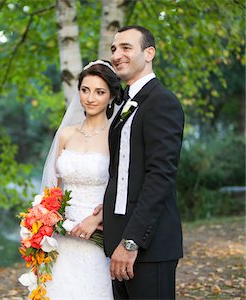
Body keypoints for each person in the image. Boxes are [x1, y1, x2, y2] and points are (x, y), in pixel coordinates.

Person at [98, 25, 185, 299]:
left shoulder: (162, 102)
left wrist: (131, 242)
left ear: (149, 53)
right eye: (113, 49)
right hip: (117, 241)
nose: (116, 55)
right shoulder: (126, 104)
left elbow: (160, 176)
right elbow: (122, 174)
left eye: (126, 47)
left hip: (148, 246)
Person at [40, 60, 122, 299]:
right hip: (62, 235)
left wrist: (98, 217)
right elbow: (52, 190)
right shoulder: (66, 134)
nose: (91, 98)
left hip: (98, 232)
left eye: (100, 92)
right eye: (85, 90)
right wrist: (47, 221)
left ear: (111, 96)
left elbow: (123, 185)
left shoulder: (116, 136)